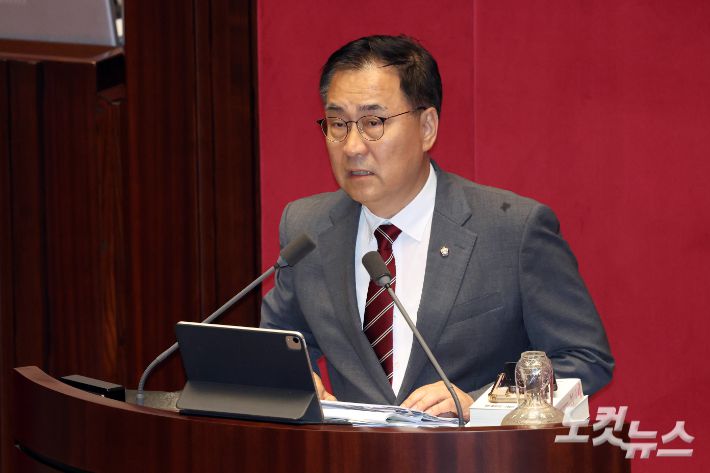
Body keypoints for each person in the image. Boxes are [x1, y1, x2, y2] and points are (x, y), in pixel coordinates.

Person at [260, 35, 613, 421]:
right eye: (337, 123)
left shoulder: (512, 230)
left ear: (427, 127)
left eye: (373, 122)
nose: (352, 146)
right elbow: (278, 346)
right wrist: (296, 379)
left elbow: (584, 359)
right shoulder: (307, 229)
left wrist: (481, 404)